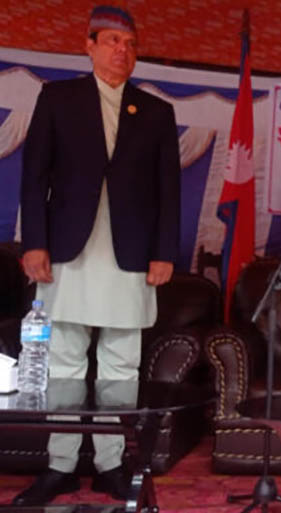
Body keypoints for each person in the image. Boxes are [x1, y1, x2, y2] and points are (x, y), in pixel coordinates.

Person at [16, 5, 180, 506]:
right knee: (63, 360)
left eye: (129, 44)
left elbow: (168, 192)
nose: (121, 51)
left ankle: (111, 464)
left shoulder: (156, 112)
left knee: (120, 365)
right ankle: (61, 465)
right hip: (68, 248)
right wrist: (34, 243)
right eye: (111, 41)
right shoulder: (58, 99)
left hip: (131, 253)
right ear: (88, 46)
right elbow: (33, 177)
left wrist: (164, 252)